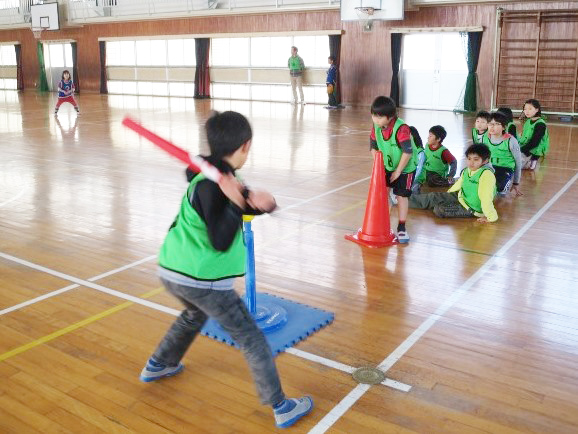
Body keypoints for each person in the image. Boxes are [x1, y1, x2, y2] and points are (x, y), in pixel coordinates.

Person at [140, 111, 313, 429]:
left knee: (194, 315)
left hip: (173, 271)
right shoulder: (212, 185)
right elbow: (220, 238)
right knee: (251, 338)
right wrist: (236, 204)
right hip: (203, 280)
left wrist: (261, 204)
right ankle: (281, 406)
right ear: (246, 146)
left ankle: (159, 363)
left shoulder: (220, 177)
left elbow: (235, 205)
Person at [369, 96, 417, 243]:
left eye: (379, 117)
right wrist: (379, 166)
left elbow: (407, 152)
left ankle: (402, 227)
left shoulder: (401, 128)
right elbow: (373, 148)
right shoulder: (376, 127)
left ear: (390, 117)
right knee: (383, 194)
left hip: (405, 167)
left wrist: (398, 172)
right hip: (388, 166)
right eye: (373, 115)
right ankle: (383, 224)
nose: (376, 119)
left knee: (401, 196)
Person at [409, 144, 498, 223]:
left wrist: (491, 217)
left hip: (471, 208)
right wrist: (447, 195)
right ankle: (404, 200)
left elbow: (486, 196)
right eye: (469, 158)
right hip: (462, 197)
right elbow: (459, 183)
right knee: (433, 196)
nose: (471, 162)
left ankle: (429, 204)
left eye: (476, 159)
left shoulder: (486, 175)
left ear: (485, 160)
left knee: (439, 209)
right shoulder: (467, 170)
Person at [482, 111, 523, 197]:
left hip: (505, 168)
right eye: (490, 124)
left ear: (504, 127)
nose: (492, 127)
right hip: (489, 166)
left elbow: (518, 162)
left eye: (497, 124)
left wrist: (516, 182)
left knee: (499, 187)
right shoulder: (485, 138)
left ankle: (504, 187)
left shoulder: (511, 141)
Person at [519, 98, 550, 171]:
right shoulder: (528, 121)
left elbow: (535, 143)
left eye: (530, 109)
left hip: (534, 150)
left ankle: (533, 160)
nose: (527, 111)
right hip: (526, 147)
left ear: (537, 110)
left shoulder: (540, 124)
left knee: (514, 165)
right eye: (525, 109)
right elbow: (523, 137)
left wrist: (521, 150)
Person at [409, 126, 425, 193]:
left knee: (413, 190)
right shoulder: (407, 150)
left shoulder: (420, 153)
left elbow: (419, 170)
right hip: (408, 176)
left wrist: (410, 180)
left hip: (417, 179)